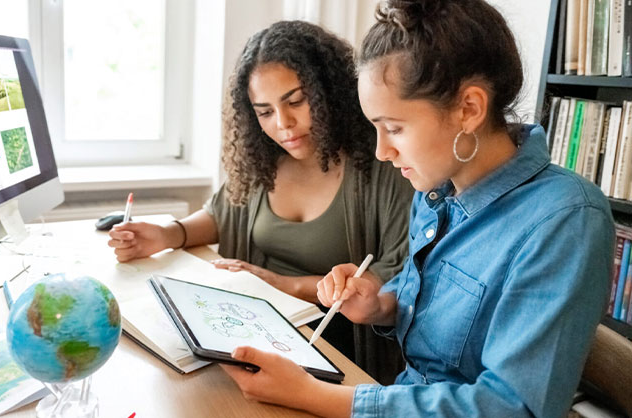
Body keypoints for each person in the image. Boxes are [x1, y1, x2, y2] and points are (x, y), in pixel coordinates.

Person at [219, 1, 615, 417]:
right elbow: (419, 302)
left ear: (469, 109)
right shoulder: (434, 193)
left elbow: (511, 407)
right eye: (376, 128)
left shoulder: (565, 219)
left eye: (394, 128)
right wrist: (379, 303)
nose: (382, 151)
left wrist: (313, 395)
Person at [107, 20, 414, 383]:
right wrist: (165, 234)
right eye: (265, 112)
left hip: (337, 351)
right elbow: (224, 213)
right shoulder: (265, 160)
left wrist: (276, 283)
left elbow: (394, 282)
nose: (283, 124)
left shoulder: (383, 166)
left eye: (296, 101)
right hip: (262, 330)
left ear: (329, 91)